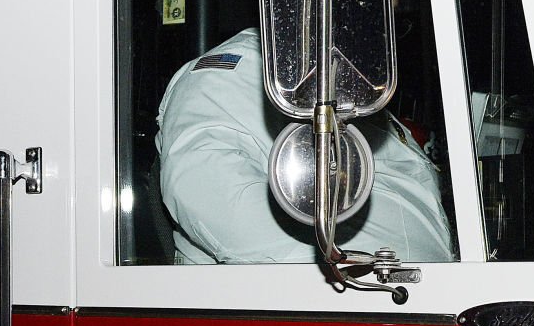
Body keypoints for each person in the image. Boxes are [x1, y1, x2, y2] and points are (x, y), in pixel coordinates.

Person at [156, 27, 453, 265]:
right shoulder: (235, 72)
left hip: (408, 307)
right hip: (319, 316)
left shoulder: (346, 84)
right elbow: (214, 198)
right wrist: (345, 275)